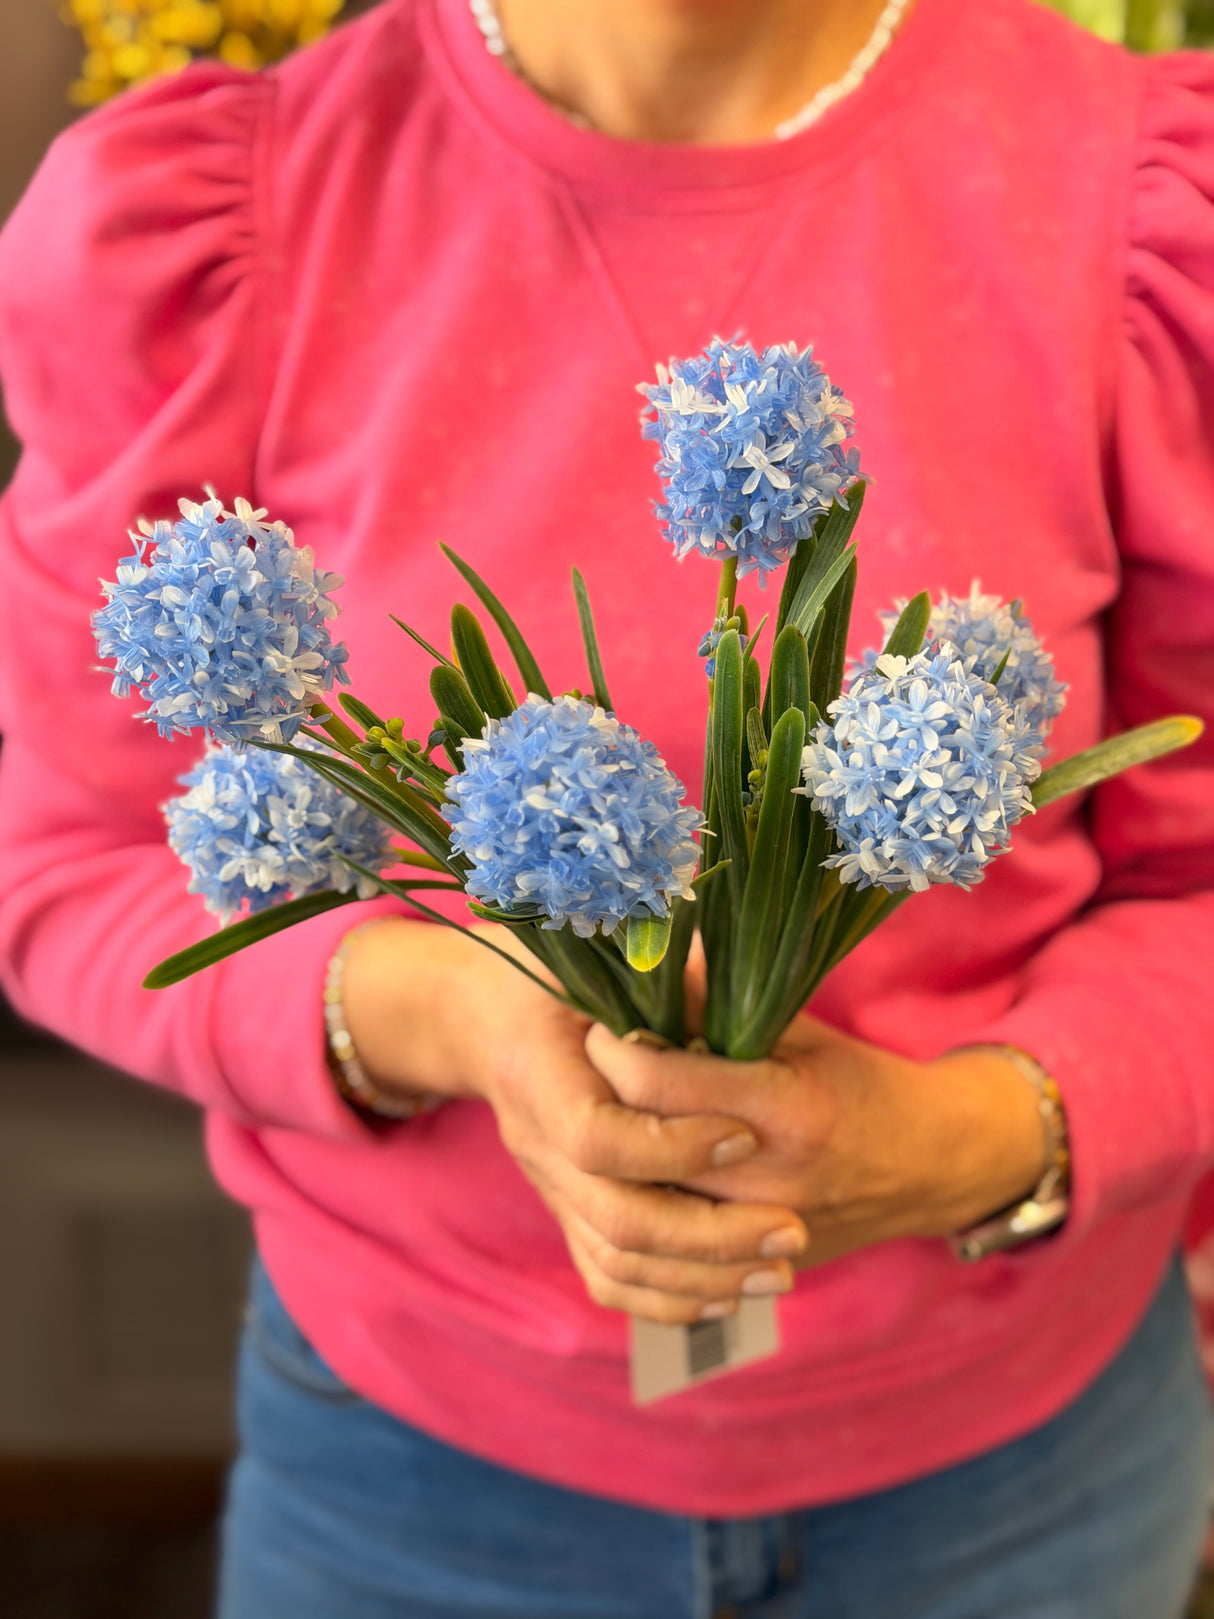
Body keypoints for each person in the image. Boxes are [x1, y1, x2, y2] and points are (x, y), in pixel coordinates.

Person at [1, 0, 1212, 1613]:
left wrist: (975, 1141)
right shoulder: (221, 214)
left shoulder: (1140, 206)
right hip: (411, 1474)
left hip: (1016, 1483)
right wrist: (449, 1015)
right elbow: (71, 863)